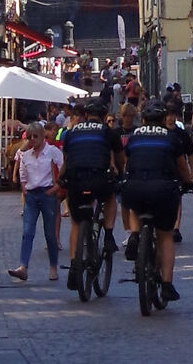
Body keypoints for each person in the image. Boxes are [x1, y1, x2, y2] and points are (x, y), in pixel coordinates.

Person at [120, 100, 193, 302]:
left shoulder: (134, 137)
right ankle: (167, 284)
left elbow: (128, 164)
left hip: (136, 188)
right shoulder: (171, 138)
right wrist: (188, 183)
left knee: (134, 205)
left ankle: (134, 235)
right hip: (162, 189)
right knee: (165, 236)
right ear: (163, 119)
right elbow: (182, 167)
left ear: (143, 120)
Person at [58, 97, 124, 292]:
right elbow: (120, 159)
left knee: (77, 223)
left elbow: (66, 159)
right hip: (98, 178)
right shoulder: (108, 132)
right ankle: (110, 234)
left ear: (86, 116)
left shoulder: (70, 133)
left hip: (76, 179)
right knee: (110, 197)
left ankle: (74, 266)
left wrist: (60, 180)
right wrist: (121, 173)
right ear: (104, 116)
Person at [10, 120, 62, 282]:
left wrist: (55, 189)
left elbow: (63, 170)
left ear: (42, 137)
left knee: (50, 234)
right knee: (27, 232)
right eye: (30, 137)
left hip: (47, 194)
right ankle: (23, 266)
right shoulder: (26, 155)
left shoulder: (52, 152)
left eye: (35, 137)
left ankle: (53, 267)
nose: (32, 140)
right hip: (32, 195)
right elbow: (22, 173)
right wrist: (24, 188)